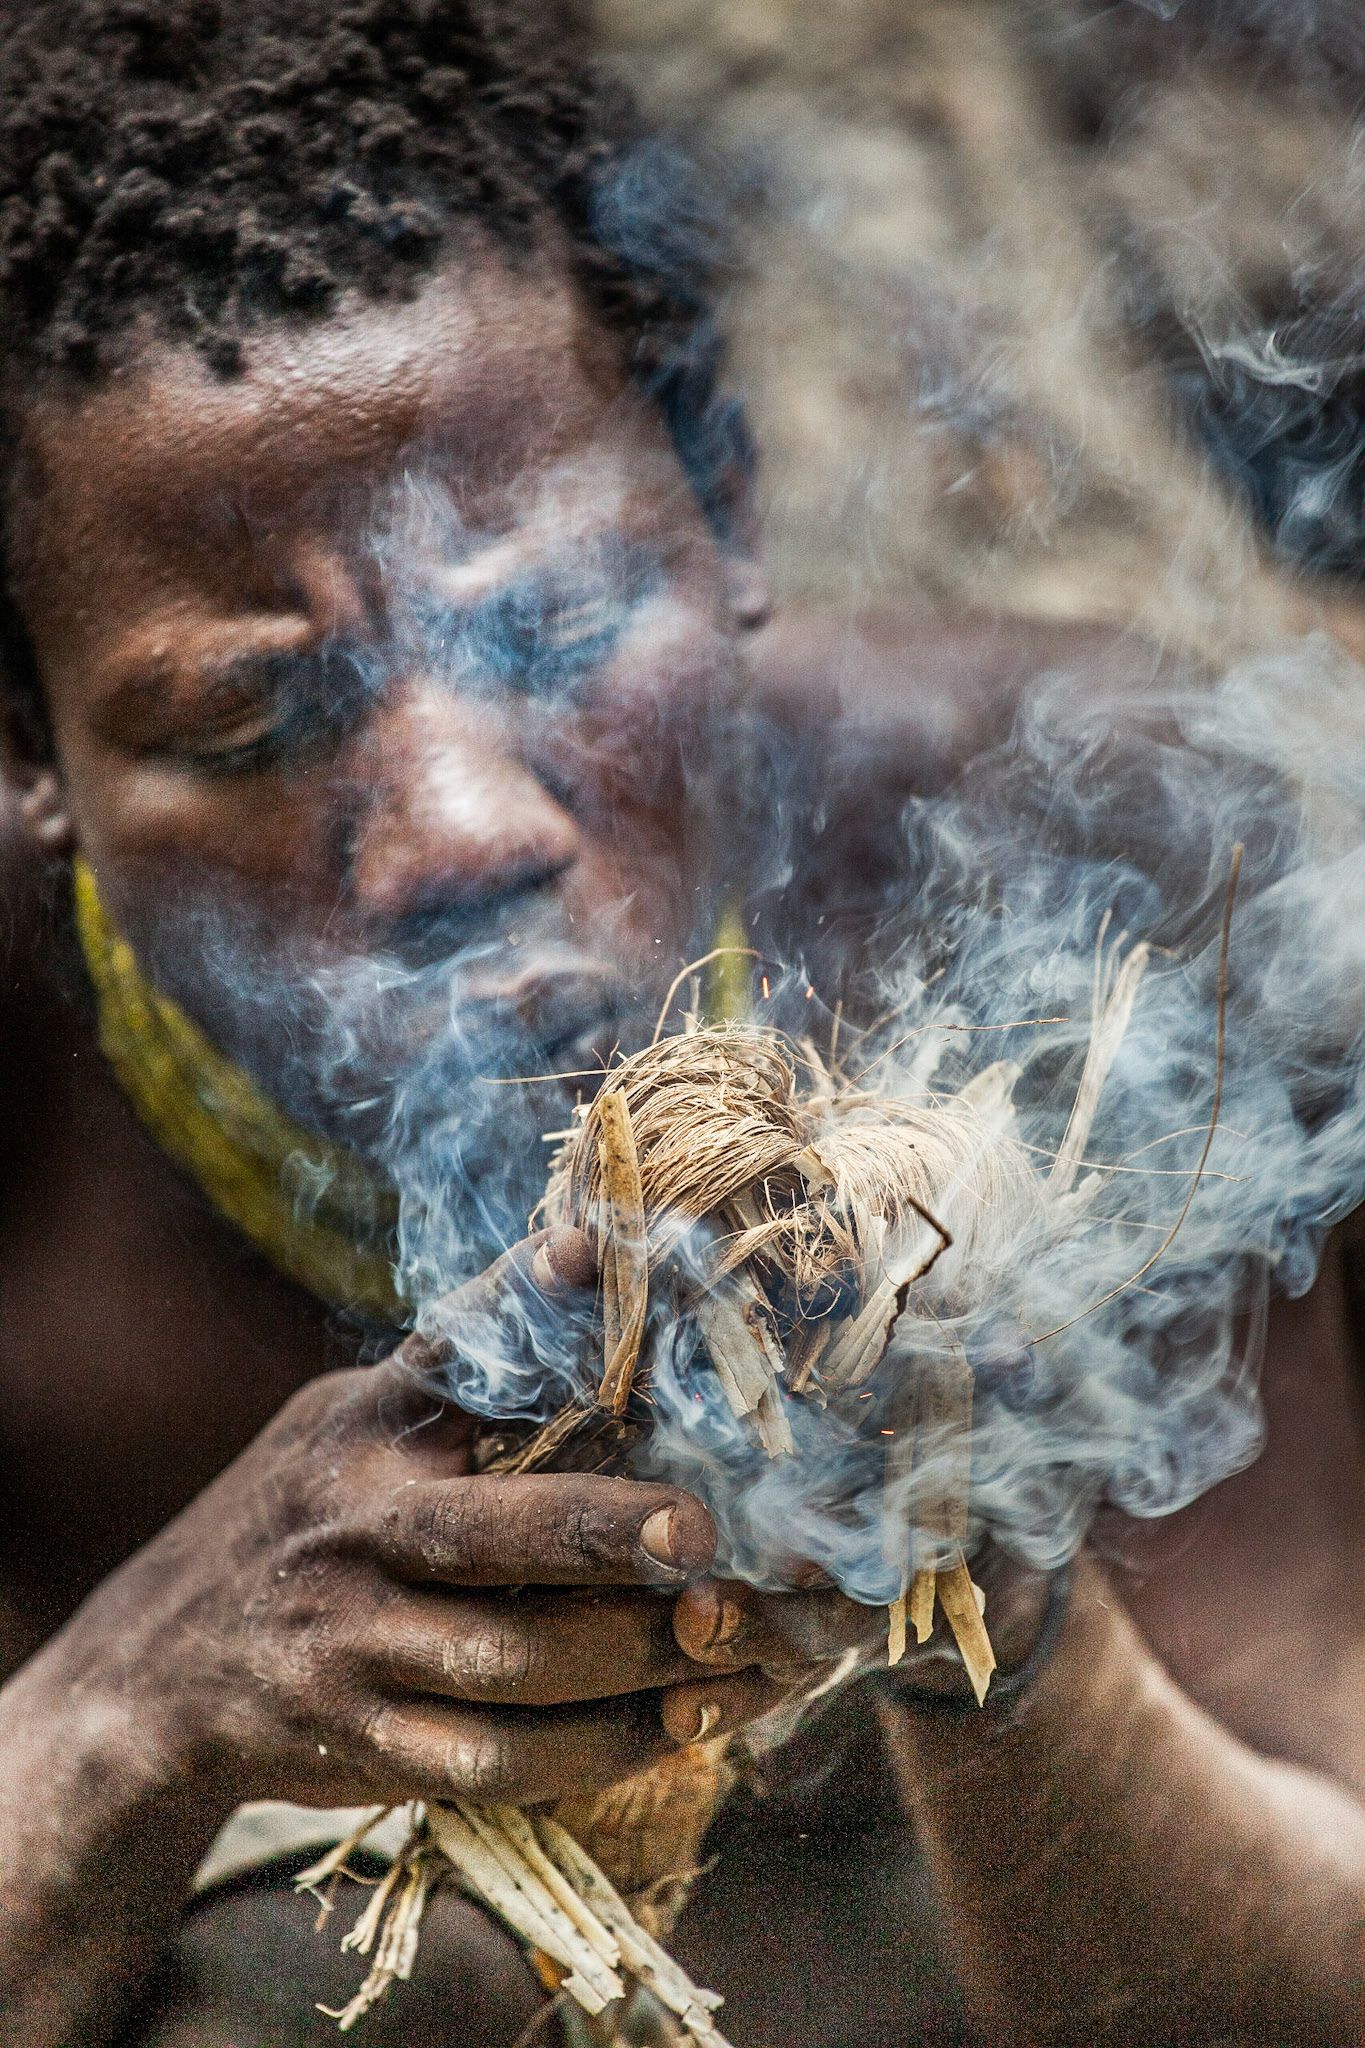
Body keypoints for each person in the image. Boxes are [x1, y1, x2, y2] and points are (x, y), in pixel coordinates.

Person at [0, 5, 1359, 2046]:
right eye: (246, 720)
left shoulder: (1094, 847)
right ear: (27, 743)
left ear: (724, 508)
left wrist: (985, 1601)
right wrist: (137, 1702)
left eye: (545, 632)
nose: (461, 827)